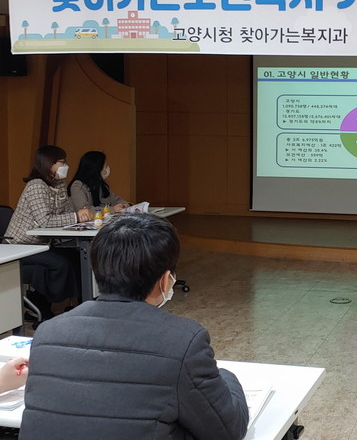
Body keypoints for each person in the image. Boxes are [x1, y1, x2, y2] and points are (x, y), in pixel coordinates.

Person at [20, 214, 249, 440]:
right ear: (165, 280)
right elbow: (228, 429)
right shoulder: (183, 342)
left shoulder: (47, 333)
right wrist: (225, 376)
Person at [3, 145, 92, 320]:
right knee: (60, 264)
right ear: (49, 164)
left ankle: (78, 306)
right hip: (21, 245)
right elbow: (45, 221)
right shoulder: (35, 186)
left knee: (77, 258)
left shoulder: (60, 185)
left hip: (42, 243)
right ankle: (48, 306)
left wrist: (80, 217)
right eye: (62, 162)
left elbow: (66, 213)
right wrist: (76, 217)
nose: (66, 166)